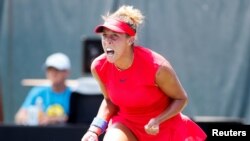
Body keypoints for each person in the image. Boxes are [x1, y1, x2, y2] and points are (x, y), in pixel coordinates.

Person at [81, 5, 207, 141]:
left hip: (163, 127)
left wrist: (158, 120)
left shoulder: (157, 67)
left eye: (115, 36)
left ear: (130, 40)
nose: (107, 41)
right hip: (127, 125)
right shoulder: (98, 66)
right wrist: (94, 129)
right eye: (104, 35)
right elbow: (110, 101)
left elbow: (181, 98)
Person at [15, 52, 72, 125]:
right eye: (50, 70)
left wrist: (51, 119)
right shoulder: (37, 92)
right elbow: (19, 116)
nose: (53, 73)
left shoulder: (73, 94)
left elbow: (76, 119)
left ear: (67, 72)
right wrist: (32, 119)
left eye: (57, 70)